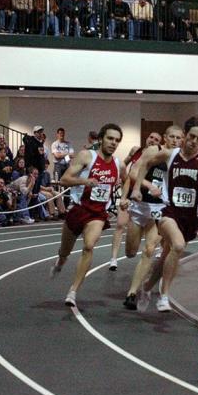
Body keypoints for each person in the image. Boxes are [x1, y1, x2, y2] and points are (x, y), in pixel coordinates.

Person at [130, 116, 198, 312]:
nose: (194, 141)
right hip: (168, 211)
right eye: (191, 136)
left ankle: (146, 288)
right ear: (184, 136)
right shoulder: (170, 155)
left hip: (189, 217)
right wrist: (137, 188)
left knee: (166, 257)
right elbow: (144, 164)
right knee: (178, 246)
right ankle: (164, 296)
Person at [50, 123, 125, 308]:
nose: (113, 143)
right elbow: (64, 179)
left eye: (117, 140)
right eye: (110, 138)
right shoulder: (87, 156)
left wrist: (125, 197)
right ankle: (60, 261)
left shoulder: (118, 163)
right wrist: (85, 181)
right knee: (65, 251)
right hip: (78, 208)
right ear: (101, 139)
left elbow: (128, 178)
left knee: (89, 246)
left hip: (98, 213)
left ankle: (73, 291)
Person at [119, 125, 183, 310]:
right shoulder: (154, 151)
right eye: (171, 137)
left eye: (178, 138)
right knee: (131, 252)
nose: (174, 141)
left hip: (160, 208)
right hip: (140, 206)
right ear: (165, 137)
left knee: (149, 249)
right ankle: (137, 280)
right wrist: (145, 186)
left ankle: (132, 293)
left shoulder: (179, 158)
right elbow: (133, 172)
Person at [108, 131, 162, 271]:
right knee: (120, 224)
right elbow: (124, 169)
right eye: (151, 137)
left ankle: (153, 250)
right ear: (147, 138)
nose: (152, 140)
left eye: (156, 139)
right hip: (130, 190)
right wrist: (124, 196)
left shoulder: (158, 156)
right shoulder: (136, 150)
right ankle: (113, 258)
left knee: (154, 229)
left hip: (145, 199)